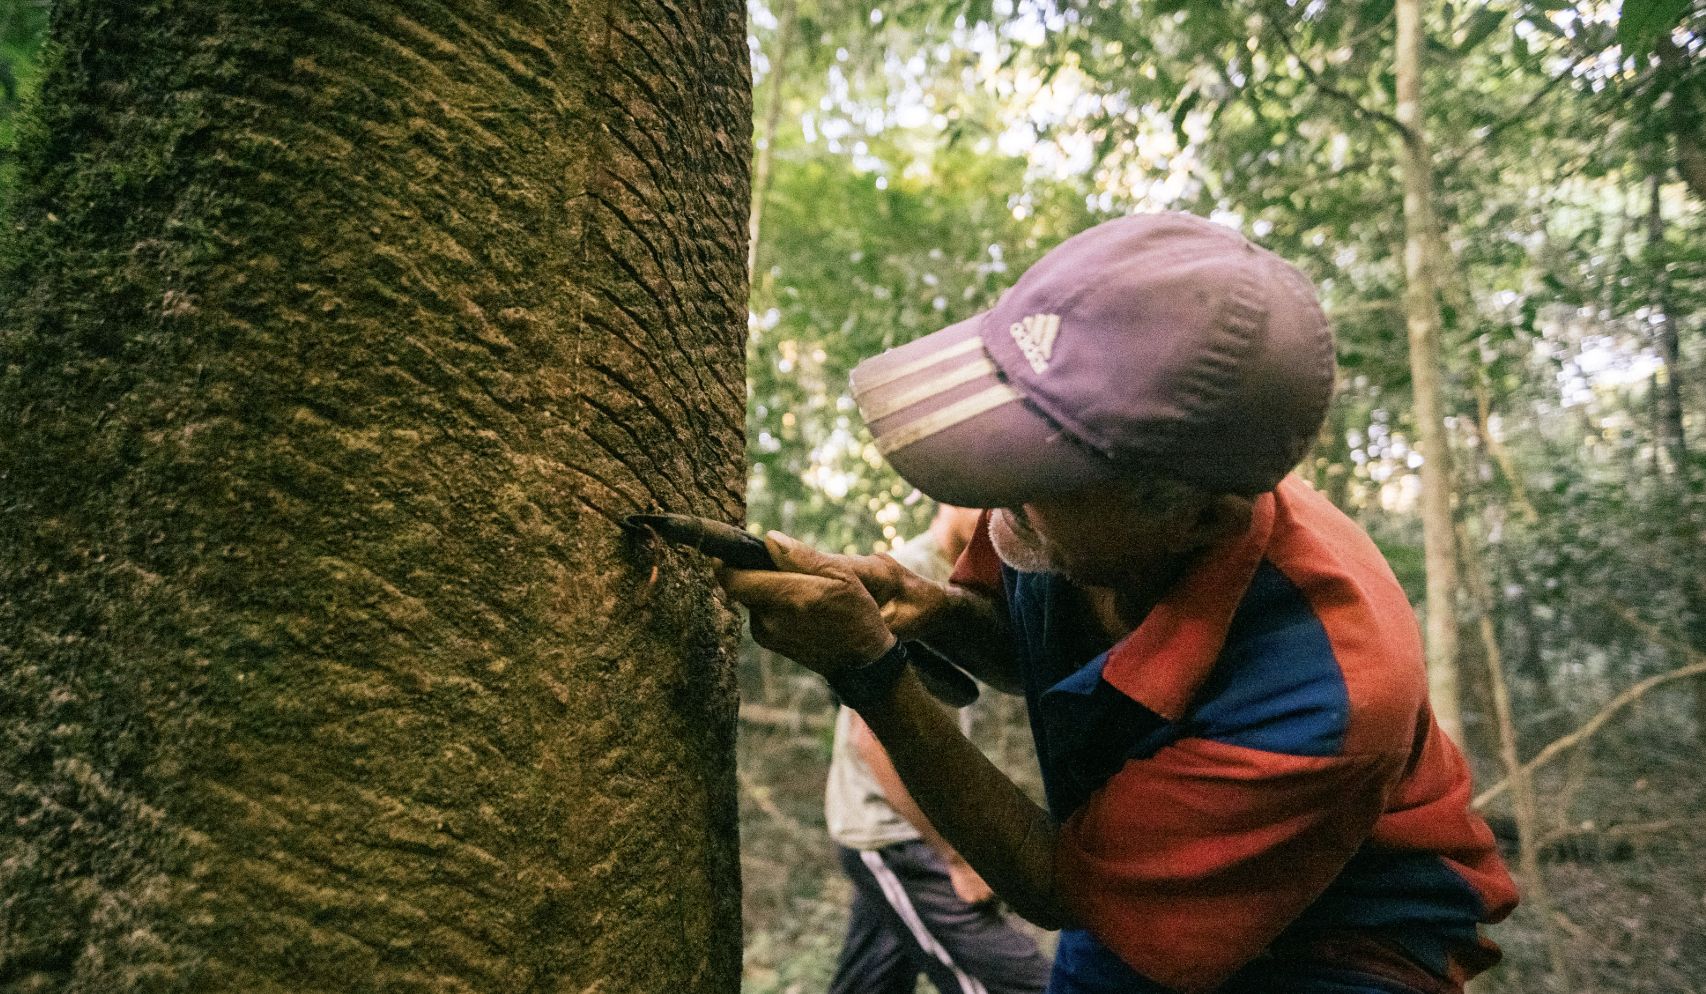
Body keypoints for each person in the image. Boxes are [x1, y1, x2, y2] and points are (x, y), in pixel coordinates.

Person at [721, 213, 1518, 994]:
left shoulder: (1326, 688)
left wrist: (872, 674)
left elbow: (1059, 887)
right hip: (1132, 878)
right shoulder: (1079, 510)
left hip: (1340, 945)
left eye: (1036, 477)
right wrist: (920, 608)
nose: (1004, 496)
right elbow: (1027, 650)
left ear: (1194, 520)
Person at [825, 503, 1051, 994]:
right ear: (944, 497)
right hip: (894, 832)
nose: (997, 513)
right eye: (979, 499)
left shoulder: (973, 585)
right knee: (1026, 985)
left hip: (903, 825)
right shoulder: (902, 578)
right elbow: (874, 741)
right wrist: (959, 858)